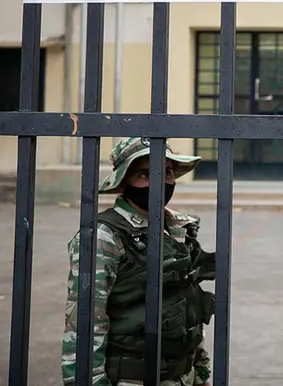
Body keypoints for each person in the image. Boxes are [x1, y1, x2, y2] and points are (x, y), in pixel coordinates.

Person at [62, 136, 215, 386]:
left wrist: (201, 372)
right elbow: (86, 323)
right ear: (124, 183)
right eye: (146, 174)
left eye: (167, 172)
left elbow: (187, 305)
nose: (160, 182)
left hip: (183, 377)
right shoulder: (105, 235)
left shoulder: (178, 229)